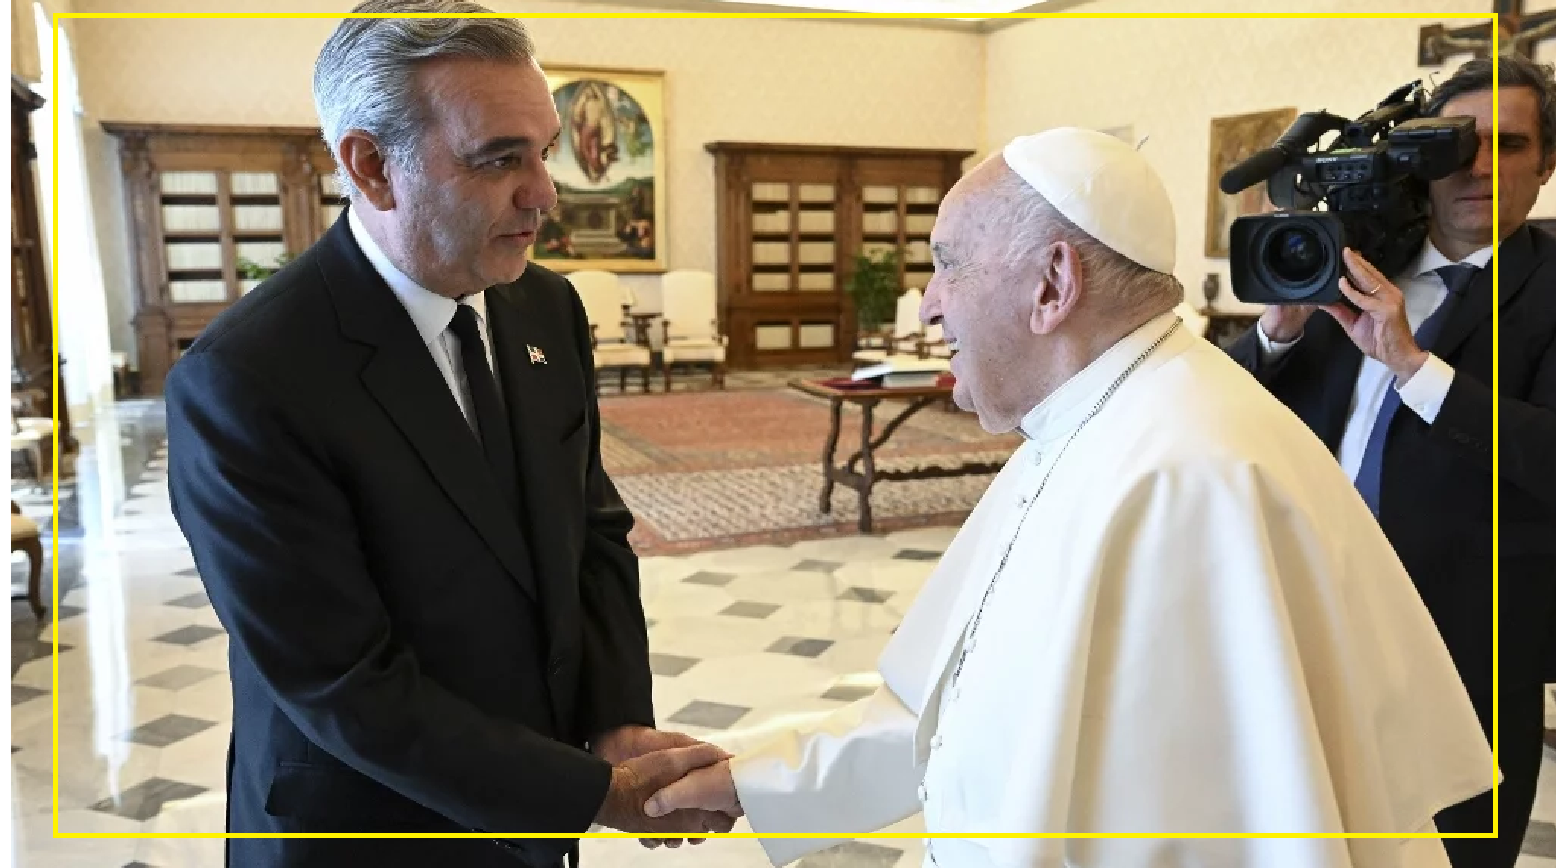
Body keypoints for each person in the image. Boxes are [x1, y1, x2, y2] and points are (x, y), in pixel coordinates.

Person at [640, 127, 1494, 868]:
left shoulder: (1185, 477)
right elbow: (963, 710)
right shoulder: (1102, 417)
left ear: (1052, 285)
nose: (931, 305)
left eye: (945, 267)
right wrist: (756, 775)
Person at [165, 3, 731, 866]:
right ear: (371, 166)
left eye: (543, 150)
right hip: (364, 830)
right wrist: (587, 796)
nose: (544, 191)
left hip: (525, 818)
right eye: (499, 159)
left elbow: (592, 532)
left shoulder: (545, 304)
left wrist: (615, 718)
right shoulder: (247, 378)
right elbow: (342, 681)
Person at [1226, 54, 1556, 868]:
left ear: (1547, 165)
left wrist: (1415, 366)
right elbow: (1237, 406)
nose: (1476, 166)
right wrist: (1280, 330)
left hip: (1468, 645)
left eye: (1508, 145)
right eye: (1452, 144)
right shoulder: (1352, 266)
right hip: (1308, 616)